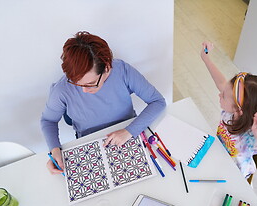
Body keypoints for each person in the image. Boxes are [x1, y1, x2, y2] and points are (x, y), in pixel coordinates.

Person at [41, 31, 166, 175]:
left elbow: (158, 102)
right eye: (77, 84)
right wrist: (54, 149)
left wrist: (129, 131)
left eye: (91, 83)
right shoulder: (61, 89)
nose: (84, 91)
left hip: (128, 132)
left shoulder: (122, 71)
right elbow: (48, 120)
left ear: (107, 67)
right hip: (90, 144)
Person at [200, 41, 257, 179]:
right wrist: (205, 58)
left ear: (239, 109)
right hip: (216, 157)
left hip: (233, 177)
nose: (219, 94)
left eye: (223, 96)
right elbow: (220, 82)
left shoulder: (252, 136)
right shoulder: (232, 109)